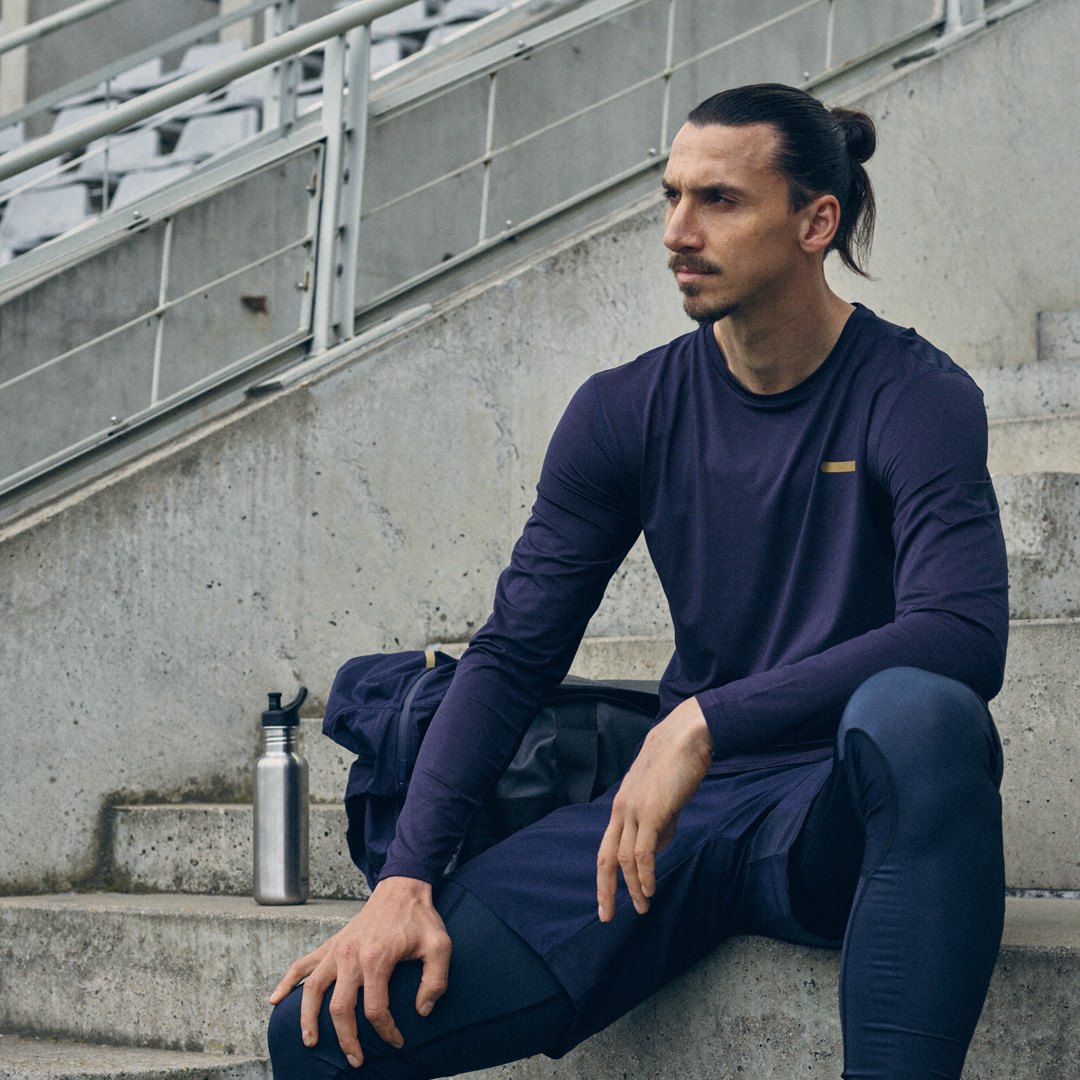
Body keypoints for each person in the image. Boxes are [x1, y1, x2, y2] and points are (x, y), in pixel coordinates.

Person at [267, 83, 1009, 1080]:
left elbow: (962, 633)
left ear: (815, 223)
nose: (677, 232)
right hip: (667, 827)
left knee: (924, 714)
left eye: (719, 201)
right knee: (321, 1033)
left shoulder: (915, 397)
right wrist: (405, 879)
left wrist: (702, 722)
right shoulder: (625, 410)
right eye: (671, 197)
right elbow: (514, 653)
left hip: (840, 813)